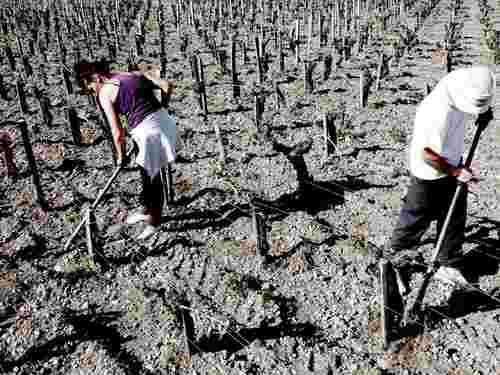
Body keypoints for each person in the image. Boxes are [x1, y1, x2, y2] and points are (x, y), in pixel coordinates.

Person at [384, 65, 495, 296]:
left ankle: (448, 263)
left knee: (454, 216)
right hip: (429, 171)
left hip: (452, 160)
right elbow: (428, 155)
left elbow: (479, 100)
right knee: (415, 217)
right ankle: (393, 260)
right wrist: (456, 172)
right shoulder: (435, 111)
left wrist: (483, 113)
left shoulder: (465, 84)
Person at [74, 59, 177, 240]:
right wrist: (162, 107)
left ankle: (154, 222)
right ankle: (146, 209)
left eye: (90, 88)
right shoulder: (131, 74)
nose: (93, 92)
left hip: (147, 133)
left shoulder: (105, 93)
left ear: (96, 78)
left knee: (152, 177)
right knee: (145, 170)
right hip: (164, 122)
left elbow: (117, 132)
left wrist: (120, 157)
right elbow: (167, 86)